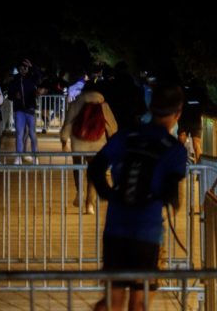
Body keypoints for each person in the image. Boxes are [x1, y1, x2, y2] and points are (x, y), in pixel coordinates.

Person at [88, 84, 188, 311]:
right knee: (139, 302)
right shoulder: (175, 150)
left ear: (151, 108)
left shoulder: (126, 136)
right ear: (178, 113)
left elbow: (95, 168)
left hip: (116, 228)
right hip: (147, 232)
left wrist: (109, 194)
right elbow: (172, 196)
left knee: (112, 300)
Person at [60, 81, 117, 214]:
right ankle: (89, 205)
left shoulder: (77, 103)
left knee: (77, 169)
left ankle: (80, 192)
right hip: (97, 144)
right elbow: (113, 127)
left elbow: (68, 123)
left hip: (78, 143)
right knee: (93, 173)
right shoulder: (103, 105)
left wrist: (64, 140)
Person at [7, 58, 41, 163]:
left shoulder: (32, 77)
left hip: (30, 109)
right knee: (19, 134)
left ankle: (35, 156)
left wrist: (32, 66)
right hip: (19, 111)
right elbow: (9, 95)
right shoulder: (15, 79)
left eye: (25, 67)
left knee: (32, 133)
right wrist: (14, 95)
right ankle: (18, 157)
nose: (23, 69)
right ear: (18, 69)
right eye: (21, 68)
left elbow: (40, 77)